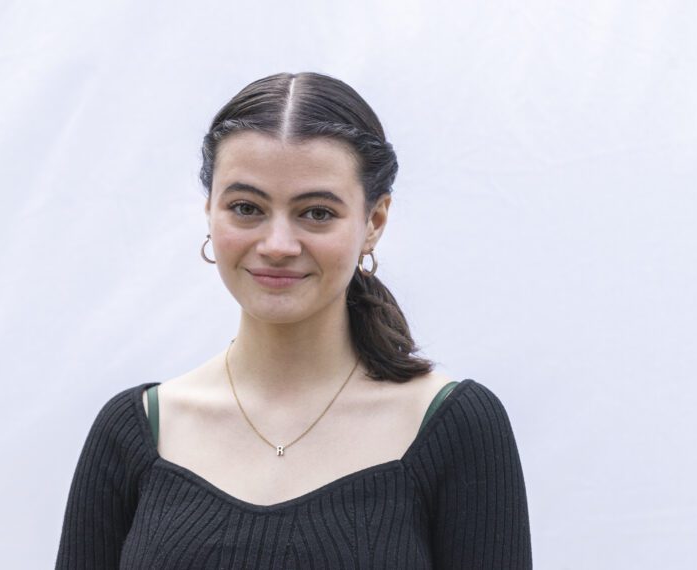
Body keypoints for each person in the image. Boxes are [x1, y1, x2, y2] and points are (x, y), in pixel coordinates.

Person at [55, 71, 532, 569]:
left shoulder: (452, 426)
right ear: (209, 213)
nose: (278, 245)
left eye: (317, 213)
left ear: (374, 222)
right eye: (246, 208)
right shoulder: (138, 431)